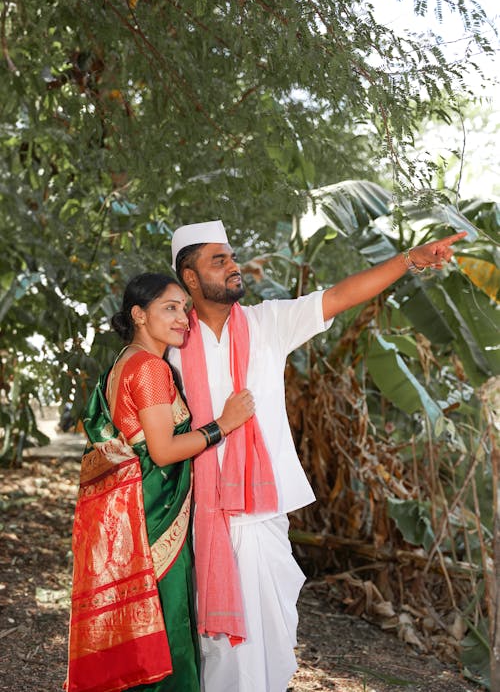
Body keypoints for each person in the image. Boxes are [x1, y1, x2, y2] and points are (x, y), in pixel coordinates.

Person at [168, 220, 467, 692]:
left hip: (262, 510)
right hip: (200, 514)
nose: (233, 266)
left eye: (232, 256)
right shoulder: (171, 342)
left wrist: (409, 259)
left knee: (270, 629)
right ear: (189, 277)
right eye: (218, 260)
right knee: (217, 643)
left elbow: (340, 296)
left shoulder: (267, 322)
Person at [65, 272, 254, 692]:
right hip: (154, 520)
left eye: (185, 309)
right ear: (138, 314)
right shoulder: (150, 368)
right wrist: (223, 424)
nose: (183, 318)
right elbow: (164, 450)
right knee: (166, 630)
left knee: (139, 635)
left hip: (138, 512)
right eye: (170, 307)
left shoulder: (123, 363)